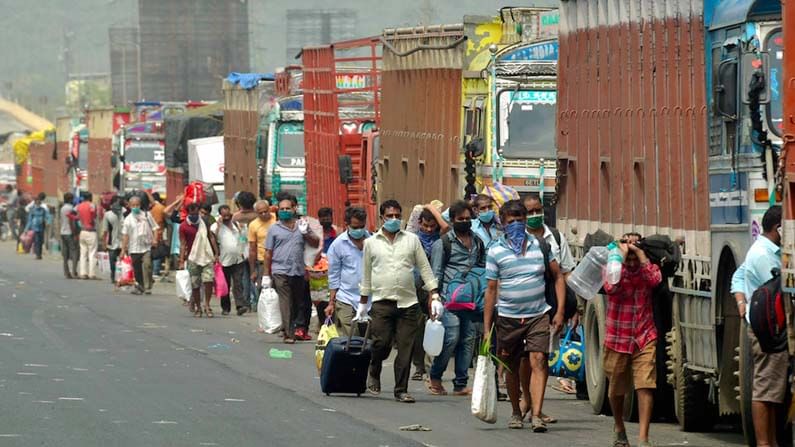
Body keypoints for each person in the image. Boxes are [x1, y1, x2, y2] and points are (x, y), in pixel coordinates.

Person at [483, 199, 565, 431]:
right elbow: (490, 290)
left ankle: (536, 414)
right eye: (512, 221)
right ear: (503, 223)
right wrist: (487, 327)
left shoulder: (540, 246)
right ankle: (516, 411)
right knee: (510, 367)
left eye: (521, 219)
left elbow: (558, 276)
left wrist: (559, 311)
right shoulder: (496, 251)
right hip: (508, 317)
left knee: (538, 359)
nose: (517, 224)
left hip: (538, 314)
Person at [358, 199, 440, 403]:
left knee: (406, 347)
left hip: (408, 303)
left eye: (397, 215)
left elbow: (424, 267)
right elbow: (366, 275)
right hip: (381, 303)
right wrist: (362, 304)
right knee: (381, 343)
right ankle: (374, 369)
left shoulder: (411, 240)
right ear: (382, 218)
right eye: (390, 216)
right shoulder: (371, 243)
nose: (394, 219)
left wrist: (434, 293)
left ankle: (401, 389)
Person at [602, 233, 662, 447]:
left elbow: (655, 280)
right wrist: (621, 255)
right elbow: (611, 286)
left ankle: (643, 438)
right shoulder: (612, 268)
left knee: (645, 385)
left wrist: (640, 254)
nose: (632, 257)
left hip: (644, 336)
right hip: (617, 337)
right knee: (616, 389)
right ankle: (619, 426)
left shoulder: (646, 270)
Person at [732, 206, 784, 447]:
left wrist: (741, 299)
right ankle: (764, 443)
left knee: (771, 392)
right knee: (765, 390)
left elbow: (738, 276)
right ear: (778, 228)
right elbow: (779, 291)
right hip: (769, 331)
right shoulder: (764, 255)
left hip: (768, 328)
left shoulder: (765, 249)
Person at [523, 193, 578, 413]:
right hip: (522, 306)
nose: (535, 215)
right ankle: (525, 399)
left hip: (549, 307)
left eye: (538, 211)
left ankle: (536, 409)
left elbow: (565, 274)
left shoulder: (554, 237)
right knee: (523, 360)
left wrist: (571, 308)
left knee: (540, 356)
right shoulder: (516, 238)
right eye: (530, 212)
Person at [428, 200, 485, 396]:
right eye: (461, 219)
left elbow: (482, 268)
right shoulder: (442, 243)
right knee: (451, 337)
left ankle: (460, 383)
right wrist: (434, 298)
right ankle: (435, 376)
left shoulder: (477, 241)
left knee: (468, 339)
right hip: (448, 299)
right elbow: (436, 272)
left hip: (471, 300)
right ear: (452, 220)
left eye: (468, 219)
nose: (465, 222)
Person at [264, 198, 320, 343]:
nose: (284, 211)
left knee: (296, 302)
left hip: (298, 270)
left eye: (287, 208)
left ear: (294, 209)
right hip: (280, 270)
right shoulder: (274, 229)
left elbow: (315, 243)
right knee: (285, 300)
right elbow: (268, 252)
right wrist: (266, 274)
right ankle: (289, 334)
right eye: (281, 209)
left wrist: (306, 232)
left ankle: (288, 326)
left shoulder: (302, 225)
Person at [409, 207, 445, 381]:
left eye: (432, 226)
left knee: (434, 326)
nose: (429, 230)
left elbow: (446, 227)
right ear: (419, 224)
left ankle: (431, 366)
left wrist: (430, 207)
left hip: (435, 289)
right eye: (425, 226)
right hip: (415, 289)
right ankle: (419, 366)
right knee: (417, 329)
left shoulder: (442, 241)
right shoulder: (412, 240)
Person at [325, 207, 370, 336]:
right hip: (346, 298)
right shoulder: (337, 245)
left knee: (369, 339)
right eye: (355, 227)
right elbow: (333, 275)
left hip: (369, 299)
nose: (359, 230)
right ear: (347, 225)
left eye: (362, 227)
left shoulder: (372, 241)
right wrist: (331, 303)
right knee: (352, 337)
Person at [179, 203, 219, 318]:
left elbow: (211, 237)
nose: (195, 216)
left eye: (196, 213)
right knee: (195, 284)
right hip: (193, 258)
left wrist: (216, 253)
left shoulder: (204, 223)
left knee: (208, 281)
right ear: (188, 213)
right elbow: (183, 244)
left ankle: (207, 305)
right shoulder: (184, 226)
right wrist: (181, 260)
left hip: (206, 256)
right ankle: (197, 306)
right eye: (192, 214)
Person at [211, 205, 249, 316]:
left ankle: (240, 305)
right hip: (224, 260)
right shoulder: (215, 226)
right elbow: (213, 239)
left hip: (237, 258)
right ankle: (225, 308)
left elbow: (243, 238)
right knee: (225, 285)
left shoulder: (237, 225)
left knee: (238, 283)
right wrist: (218, 225)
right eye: (224, 215)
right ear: (220, 215)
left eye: (229, 215)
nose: (227, 217)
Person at [120, 196, 158, 295]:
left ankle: (147, 287)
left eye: (137, 205)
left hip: (146, 246)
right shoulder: (128, 219)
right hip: (134, 248)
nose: (135, 207)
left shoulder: (146, 215)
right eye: (133, 205)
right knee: (137, 269)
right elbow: (125, 235)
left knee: (147, 265)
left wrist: (155, 239)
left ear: (140, 205)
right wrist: (123, 250)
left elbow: (155, 228)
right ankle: (140, 285)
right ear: (129, 206)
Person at [248, 199, 277, 310]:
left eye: (266, 211)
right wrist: (253, 270)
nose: (264, 214)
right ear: (256, 213)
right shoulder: (253, 225)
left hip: (277, 260)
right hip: (262, 262)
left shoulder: (276, 218)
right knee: (263, 289)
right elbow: (252, 249)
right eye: (261, 213)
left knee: (278, 288)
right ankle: (266, 318)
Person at [232, 191, 258, 309]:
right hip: (255, 248)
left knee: (244, 277)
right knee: (255, 275)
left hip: (240, 249)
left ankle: (246, 301)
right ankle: (256, 301)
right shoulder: (257, 216)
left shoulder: (236, 217)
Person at [75, 192, 99, 279]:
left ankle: (83, 273)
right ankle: (92, 273)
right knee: (92, 253)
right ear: (90, 197)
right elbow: (94, 216)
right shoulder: (92, 205)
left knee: (83, 253)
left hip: (82, 231)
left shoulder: (79, 206)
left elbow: (76, 216)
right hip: (91, 231)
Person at [101, 196, 124, 285]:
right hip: (115, 242)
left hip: (120, 242)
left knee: (116, 261)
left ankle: (118, 276)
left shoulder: (124, 213)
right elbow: (105, 230)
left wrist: (104, 243)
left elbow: (104, 231)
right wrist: (104, 243)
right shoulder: (109, 215)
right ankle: (115, 276)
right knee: (115, 261)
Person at [24, 193, 49, 260]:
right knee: (37, 241)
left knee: (40, 241)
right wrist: (26, 229)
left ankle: (39, 254)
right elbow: (29, 220)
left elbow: (47, 216)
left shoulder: (43, 210)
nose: (38, 204)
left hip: (41, 227)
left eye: (39, 203)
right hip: (35, 228)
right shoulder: (32, 210)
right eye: (37, 202)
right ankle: (38, 255)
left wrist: (48, 222)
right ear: (35, 203)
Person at [59, 192, 79, 279]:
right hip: (69, 232)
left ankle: (66, 272)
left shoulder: (62, 208)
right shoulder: (71, 209)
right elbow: (72, 222)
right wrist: (74, 233)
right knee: (74, 252)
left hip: (62, 232)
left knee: (65, 254)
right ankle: (74, 271)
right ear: (70, 199)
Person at [148, 192, 167, 278]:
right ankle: (156, 271)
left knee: (151, 252)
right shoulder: (161, 208)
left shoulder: (150, 208)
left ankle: (151, 270)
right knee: (157, 252)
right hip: (159, 232)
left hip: (149, 233)